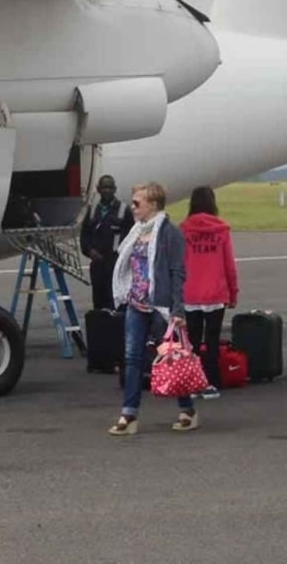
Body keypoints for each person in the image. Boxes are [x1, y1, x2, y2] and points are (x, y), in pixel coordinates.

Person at [107, 182, 193, 436]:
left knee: (171, 358)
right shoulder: (136, 232)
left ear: (153, 204)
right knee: (132, 359)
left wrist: (178, 310)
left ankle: (187, 409)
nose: (133, 208)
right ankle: (129, 414)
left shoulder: (170, 234)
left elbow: (177, 271)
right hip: (136, 303)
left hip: (160, 306)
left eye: (137, 203)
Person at [180, 186, 237, 399]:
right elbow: (228, 264)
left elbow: (179, 264)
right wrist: (233, 292)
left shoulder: (184, 229)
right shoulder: (221, 229)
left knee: (192, 340)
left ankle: (193, 382)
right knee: (212, 340)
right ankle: (211, 382)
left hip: (191, 292)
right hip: (215, 292)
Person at [80, 175, 133, 310]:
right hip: (97, 262)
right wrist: (89, 251)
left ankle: (116, 328)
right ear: (98, 189)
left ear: (114, 189)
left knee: (115, 299)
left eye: (109, 188)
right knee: (99, 300)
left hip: (115, 262)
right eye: (103, 188)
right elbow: (84, 235)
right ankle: (101, 328)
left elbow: (131, 236)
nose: (106, 191)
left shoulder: (124, 210)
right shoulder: (92, 211)